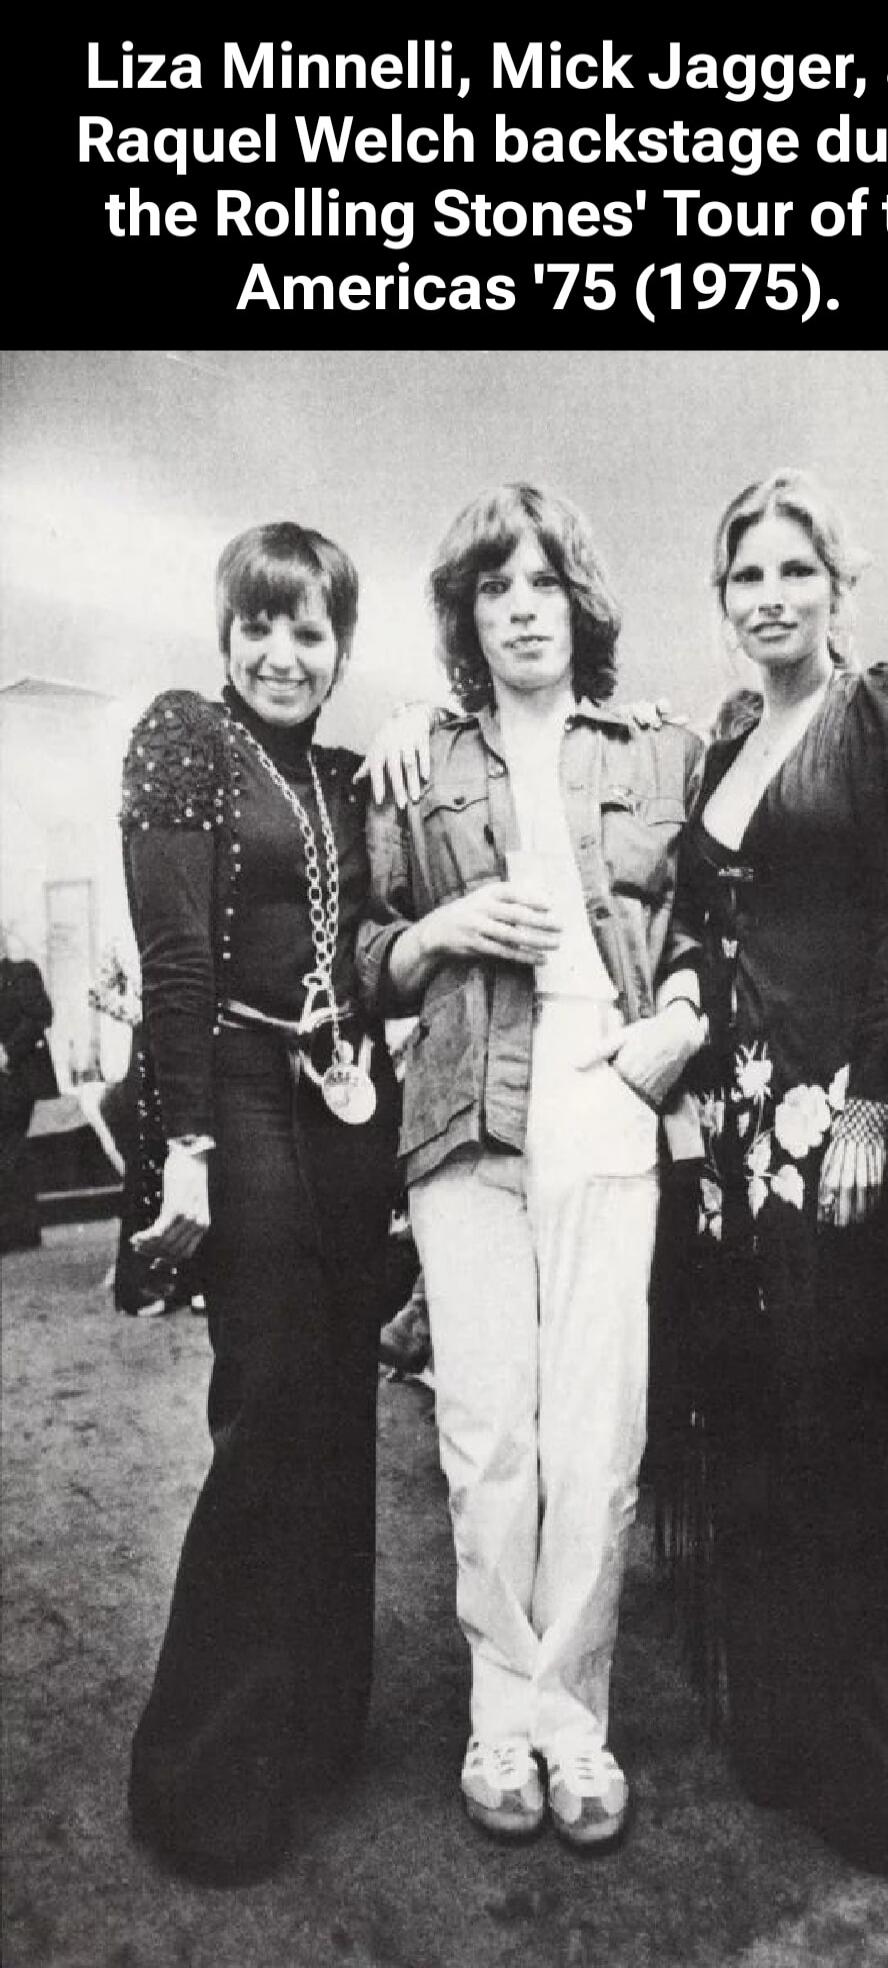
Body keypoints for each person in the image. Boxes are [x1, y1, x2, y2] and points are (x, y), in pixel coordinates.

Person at [358, 482, 707, 1849]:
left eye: (542, 582)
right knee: (486, 1437)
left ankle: (576, 1724)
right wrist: (441, 922)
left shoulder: (664, 751)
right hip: (462, 1115)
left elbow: (711, 929)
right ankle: (502, 1724)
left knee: (597, 1437)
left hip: (607, 1103)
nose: (520, 607)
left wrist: (670, 1032)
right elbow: (367, 964)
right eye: (494, 588)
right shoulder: (416, 759)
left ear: (579, 600)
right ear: (467, 614)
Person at [659, 469, 888, 1878]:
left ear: (837, 584)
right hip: (726, 1146)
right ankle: (783, 1740)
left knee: (841, 1442)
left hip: (835, 1133)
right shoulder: (723, 738)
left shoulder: (879, 709)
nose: (770, 597)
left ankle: (887, 1781)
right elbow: (694, 930)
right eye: (745, 578)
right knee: (758, 1445)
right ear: (721, 603)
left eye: (793, 571)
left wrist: (875, 1116)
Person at [121, 521, 399, 1883]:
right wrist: (182, 1150)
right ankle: (203, 1766)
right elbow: (174, 963)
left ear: (340, 645)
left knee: (339, 1409)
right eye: (262, 626)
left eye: (312, 630)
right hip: (234, 1093)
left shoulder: (338, 774)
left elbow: (371, 937)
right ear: (226, 632)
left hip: (343, 1100)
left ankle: (315, 1723)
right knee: (272, 1402)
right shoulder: (184, 736)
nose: (285, 653)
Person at [0, 934, 58, 1252]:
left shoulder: (20, 973)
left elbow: (40, 1015)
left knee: (11, 1152)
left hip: (17, 1078)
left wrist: (8, 1051)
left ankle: (19, 1232)